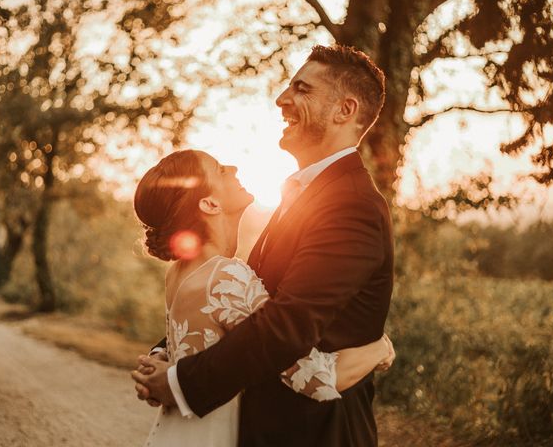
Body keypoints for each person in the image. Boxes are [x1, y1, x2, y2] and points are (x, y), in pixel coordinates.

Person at [133, 44, 394, 446]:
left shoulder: (351, 205)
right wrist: (168, 352)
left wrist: (180, 382)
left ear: (345, 110)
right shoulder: (301, 195)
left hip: (316, 433)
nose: (281, 99)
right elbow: (238, 307)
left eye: (302, 90)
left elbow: (285, 325)